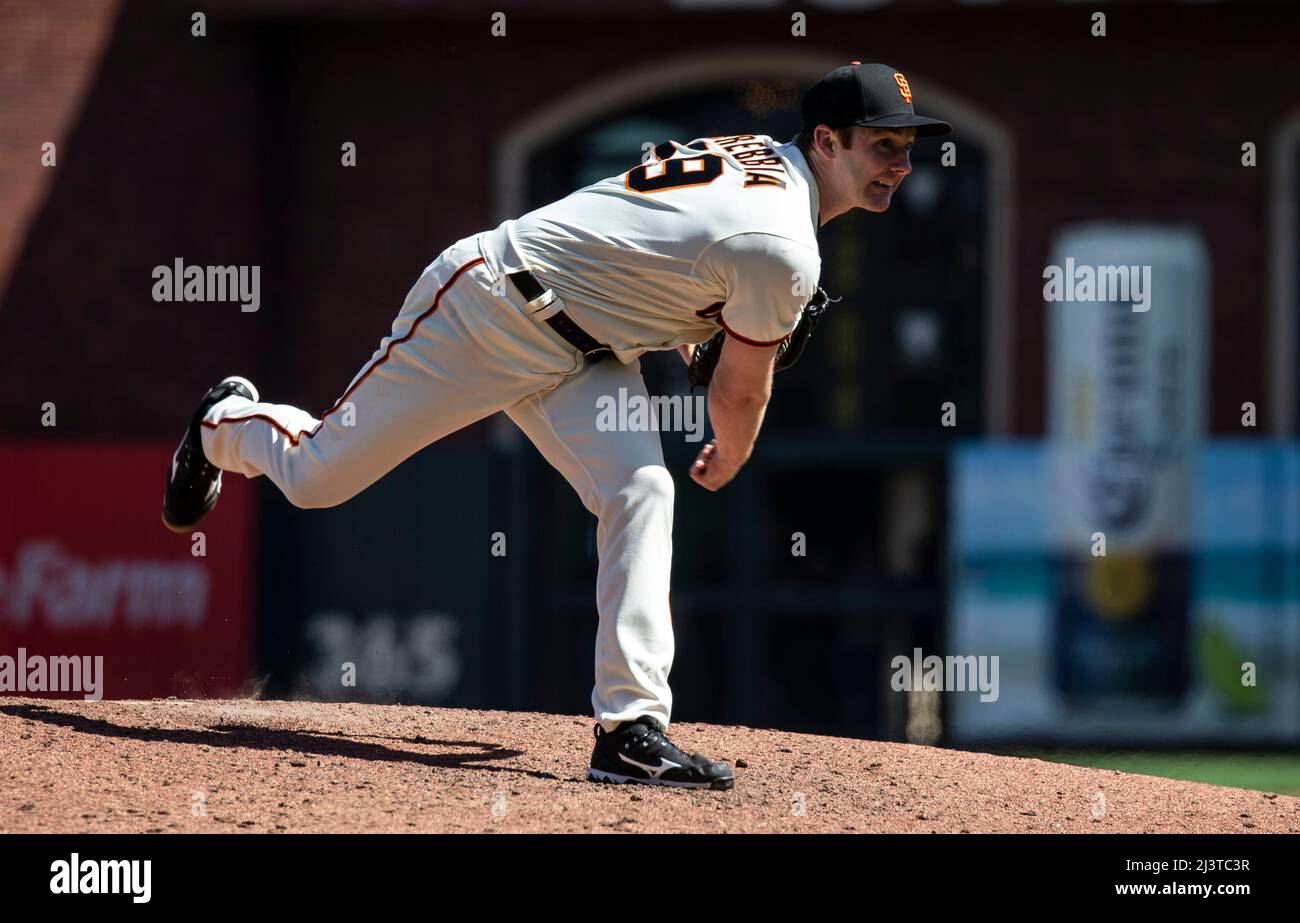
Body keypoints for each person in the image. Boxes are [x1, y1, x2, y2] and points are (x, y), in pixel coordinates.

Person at [161, 62, 950, 790]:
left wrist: (695, 334)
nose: (901, 164)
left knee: (640, 490)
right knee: (315, 476)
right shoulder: (782, 243)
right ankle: (223, 423)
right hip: (490, 307)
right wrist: (730, 454)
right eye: (884, 144)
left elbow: (664, 255)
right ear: (826, 139)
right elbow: (739, 397)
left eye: (909, 147)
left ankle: (631, 730)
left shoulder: (760, 163)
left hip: (589, 349)